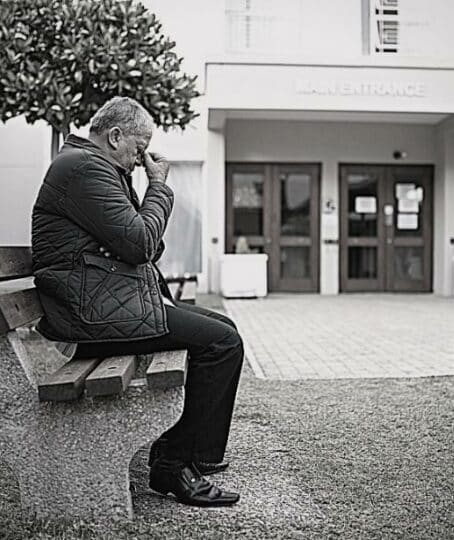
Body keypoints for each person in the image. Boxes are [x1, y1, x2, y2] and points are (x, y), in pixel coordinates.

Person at [31, 96, 244, 507]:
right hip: (92, 316)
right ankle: (172, 465)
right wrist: (159, 187)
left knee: (225, 330)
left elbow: (144, 246)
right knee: (222, 344)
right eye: (138, 148)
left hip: (108, 301)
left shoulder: (94, 167)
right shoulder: (83, 168)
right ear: (114, 136)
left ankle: (199, 452)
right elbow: (140, 240)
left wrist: (133, 232)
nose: (141, 158)